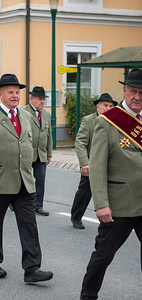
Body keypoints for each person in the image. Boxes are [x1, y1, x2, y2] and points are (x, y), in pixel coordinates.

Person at [0, 74, 53, 283]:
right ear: (0, 94)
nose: (15, 96)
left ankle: (32, 268)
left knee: (29, 225)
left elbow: (27, 142)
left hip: (24, 181)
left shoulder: (25, 116)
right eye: (11, 92)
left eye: (18, 92)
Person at [80, 68, 142, 299]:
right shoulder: (107, 122)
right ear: (124, 91)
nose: (137, 97)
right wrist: (101, 204)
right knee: (104, 255)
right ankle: (88, 295)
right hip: (119, 205)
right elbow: (97, 166)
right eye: (133, 91)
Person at [71, 93, 117, 229]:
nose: (108, 108)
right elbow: (80, 142)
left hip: (110, 165)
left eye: (111, 106)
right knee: (84, 193)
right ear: (98, 106)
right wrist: (85, 162)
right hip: (92, 165)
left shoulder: (116, 121)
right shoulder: (88, 120)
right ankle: (76, 217)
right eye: (105, 105)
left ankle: (110, 219)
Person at [22, 86, 52, 216]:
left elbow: (49, 135)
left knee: (40, 180)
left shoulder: (46, 114)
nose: (42, 102)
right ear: (32, 98)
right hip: (27, 153)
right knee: (23, 180)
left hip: (41, 154)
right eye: (39, 99)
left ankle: (38, 205)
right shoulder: (23, 112)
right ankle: (17, 202)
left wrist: (49, 154)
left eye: (43, 99)